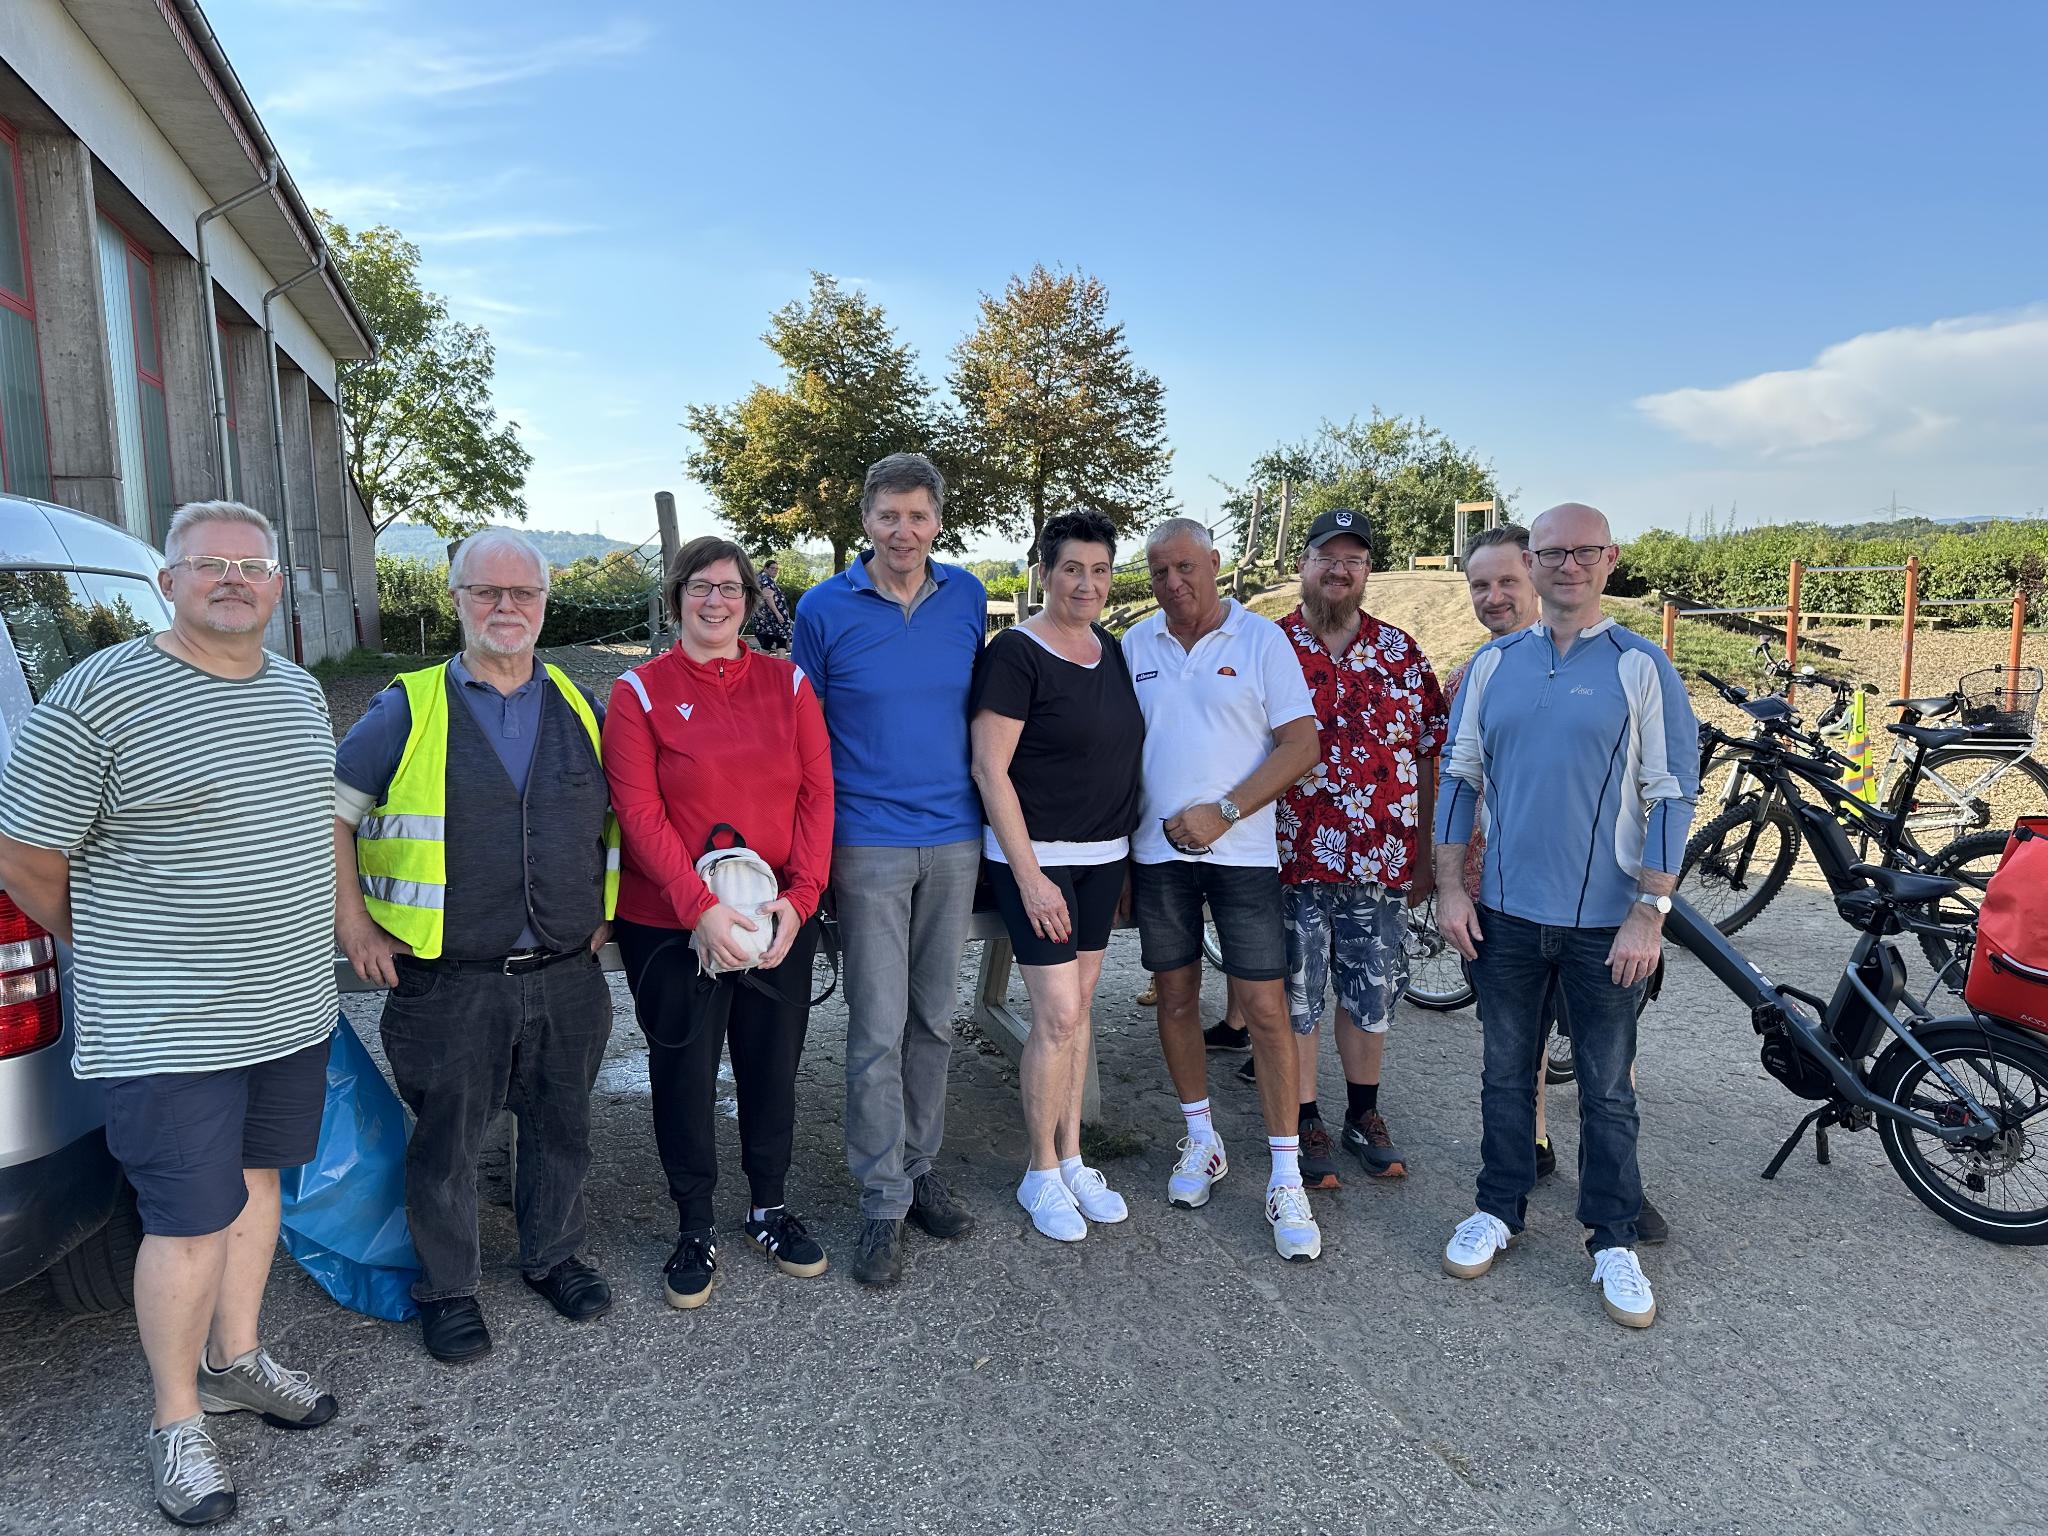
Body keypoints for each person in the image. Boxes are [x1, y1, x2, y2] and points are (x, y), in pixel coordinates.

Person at [0, 501, 340, 1526]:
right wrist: (120, 945)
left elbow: (306, 829)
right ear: (170, 582)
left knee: (258, 1186)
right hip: (166, 1022)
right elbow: (24, 855)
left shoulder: (297, 694)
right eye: (209, 565)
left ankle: (238, 1358)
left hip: (287, 1008)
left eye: (252, 564)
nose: (233, 579)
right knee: (186, 1222)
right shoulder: (96, 697)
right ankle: (176, 1420)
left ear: (275, 585)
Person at [334, 528, 619, 1364]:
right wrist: (354, 922)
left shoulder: (577, 701)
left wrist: (610, 909)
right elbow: (333, 816)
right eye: (486, 592)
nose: (506, 608)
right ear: (455, 599)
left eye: (522, 594)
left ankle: (553, 1256)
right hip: (450, 978)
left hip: (567, 971)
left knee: (562, 1128)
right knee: (448, 1145)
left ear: (543, 603)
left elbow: (614, 818)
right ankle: (449, 1290)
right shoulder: (405, 706)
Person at [1434, 503, 1697, 1328]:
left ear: (1610, 560)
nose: (1568, 565)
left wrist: (1650, 911)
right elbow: (1459, 777)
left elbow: (1670, 794)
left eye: (1584, 551)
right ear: (1532, 561)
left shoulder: (1641, 666)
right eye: (1552, 552)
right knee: (1503, 1073)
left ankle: (1611, 1238)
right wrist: (1449, 887)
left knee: (1607, 1087)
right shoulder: (1492, 665)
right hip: (1506, 914)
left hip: (1606, 924)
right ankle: (1498, 1208)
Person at [603, 537, 834, 1307]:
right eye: (700, 588)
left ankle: (768, 1205)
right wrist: (698, 910)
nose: (715, 601)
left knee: (772, 1065)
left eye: (730, 588)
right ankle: (693, 1221)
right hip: (669, 923)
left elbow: (816, 797)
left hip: (772, 913)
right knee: (686, 1071)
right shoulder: (638, 693)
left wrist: (801, 901)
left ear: (750, 599)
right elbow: (638, 812)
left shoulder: (790, 683)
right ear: (676, 599)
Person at [791, 452, 988, 1287]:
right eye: (887, 516)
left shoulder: (968, 597)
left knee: (934, 1019)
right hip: (865, 838)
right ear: (865, 522)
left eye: (918, 515)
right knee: (876, 1027)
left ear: (938, 521)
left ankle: (918, 1167)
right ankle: (881, 1200)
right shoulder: (823, 608)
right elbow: (807, 732)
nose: (903, 531)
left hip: (954, 836)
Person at [1126, 519, 1322, 1260]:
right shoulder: (1136, 645)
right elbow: (1119, 749)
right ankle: (1202, 1139)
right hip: (1155, 853)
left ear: (1214, 564)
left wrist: (1227, 811)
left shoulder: (1261, 641)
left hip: (1240, 854)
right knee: (1175, 997)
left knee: (1266, 1011)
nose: (1172, 583)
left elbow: (1302, 745)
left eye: (1185, 567)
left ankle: (1284, 1172)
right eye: (1157, 571)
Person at [969, 509, 1143, 1241]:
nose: (1087, 583)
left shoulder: (1111, 648)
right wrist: (1030, 874)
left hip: (1104, 857)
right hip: (1036, 859)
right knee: (1059, 1016)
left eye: (1100, 570)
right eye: (1072, 568)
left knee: (1082, 1008)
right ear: (1043, 572)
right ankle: (1038, 1170)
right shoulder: (1015, 653)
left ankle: (1074, 1159)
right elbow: (989, 766)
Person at [1273, 510, 1447, 1190]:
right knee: (1298, 995)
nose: (1340, 570)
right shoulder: (1269, 646)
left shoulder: (1402, 654)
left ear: (1368, 571)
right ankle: (1305, 1113)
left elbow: (1430, 754)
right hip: (1291, 860)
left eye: (1355, 559)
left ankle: (1363, 1113)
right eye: (1327, 556)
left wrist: (1428, 855)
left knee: (1370, 995)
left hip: (1381, 862)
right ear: (1304, 565)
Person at [753, 557, 794, 652]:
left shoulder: (762, 578)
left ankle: (765, 664)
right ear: (765, 568)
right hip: (772, 617)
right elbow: (768, 597)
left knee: (769, 641)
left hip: (767, 617)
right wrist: (778, 614)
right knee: (781, 639)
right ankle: (780, 665)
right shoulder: (767, 580)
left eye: (776, 569)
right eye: (772, 568)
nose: (775, 570)